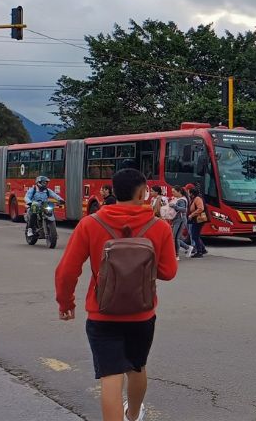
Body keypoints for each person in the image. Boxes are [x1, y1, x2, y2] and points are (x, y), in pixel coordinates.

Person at [55, 168, 177, 421]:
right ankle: (133, 416)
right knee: (137, 367)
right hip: (142, 314)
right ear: (143, 192)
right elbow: (168, 272)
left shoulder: (90, 223)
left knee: (110, 374)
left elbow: (67, 270)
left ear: (112, 191)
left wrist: (65, 302)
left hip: (102, 313)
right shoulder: (160, 227)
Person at [168, 186, 191, 259]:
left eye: (174, 191)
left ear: (179, 192)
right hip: (179, 220)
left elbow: (184, 209)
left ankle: (176, 255)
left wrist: (174, 206)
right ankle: (187, 248)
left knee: (175, 238)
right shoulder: (180, 199)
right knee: (176, 238)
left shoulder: (181, 200)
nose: (172, 193)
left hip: (179, 220)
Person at [186, 187, 207, 258]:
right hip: (196, 219)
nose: (188, 194)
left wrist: (192, 215)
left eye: (189, 192)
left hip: (199, 220)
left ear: (192, 193)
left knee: (195, 235)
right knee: (196, 235)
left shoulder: (197, 199)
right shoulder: (195, 198)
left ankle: (199, 252)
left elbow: (201, 208)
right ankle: (203, 249)